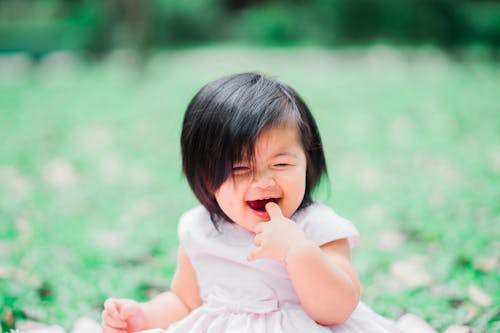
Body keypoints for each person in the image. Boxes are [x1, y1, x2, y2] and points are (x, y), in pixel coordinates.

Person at [101, 72, 433, 333]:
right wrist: (142, 317)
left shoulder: (317, 227)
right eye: (240, 169)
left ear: (309, 162)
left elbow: (338, 309)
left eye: (282, 164)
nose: (264, 182)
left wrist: (298, 251)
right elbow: (184, 301)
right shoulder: (199, 230)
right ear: (205, 177)